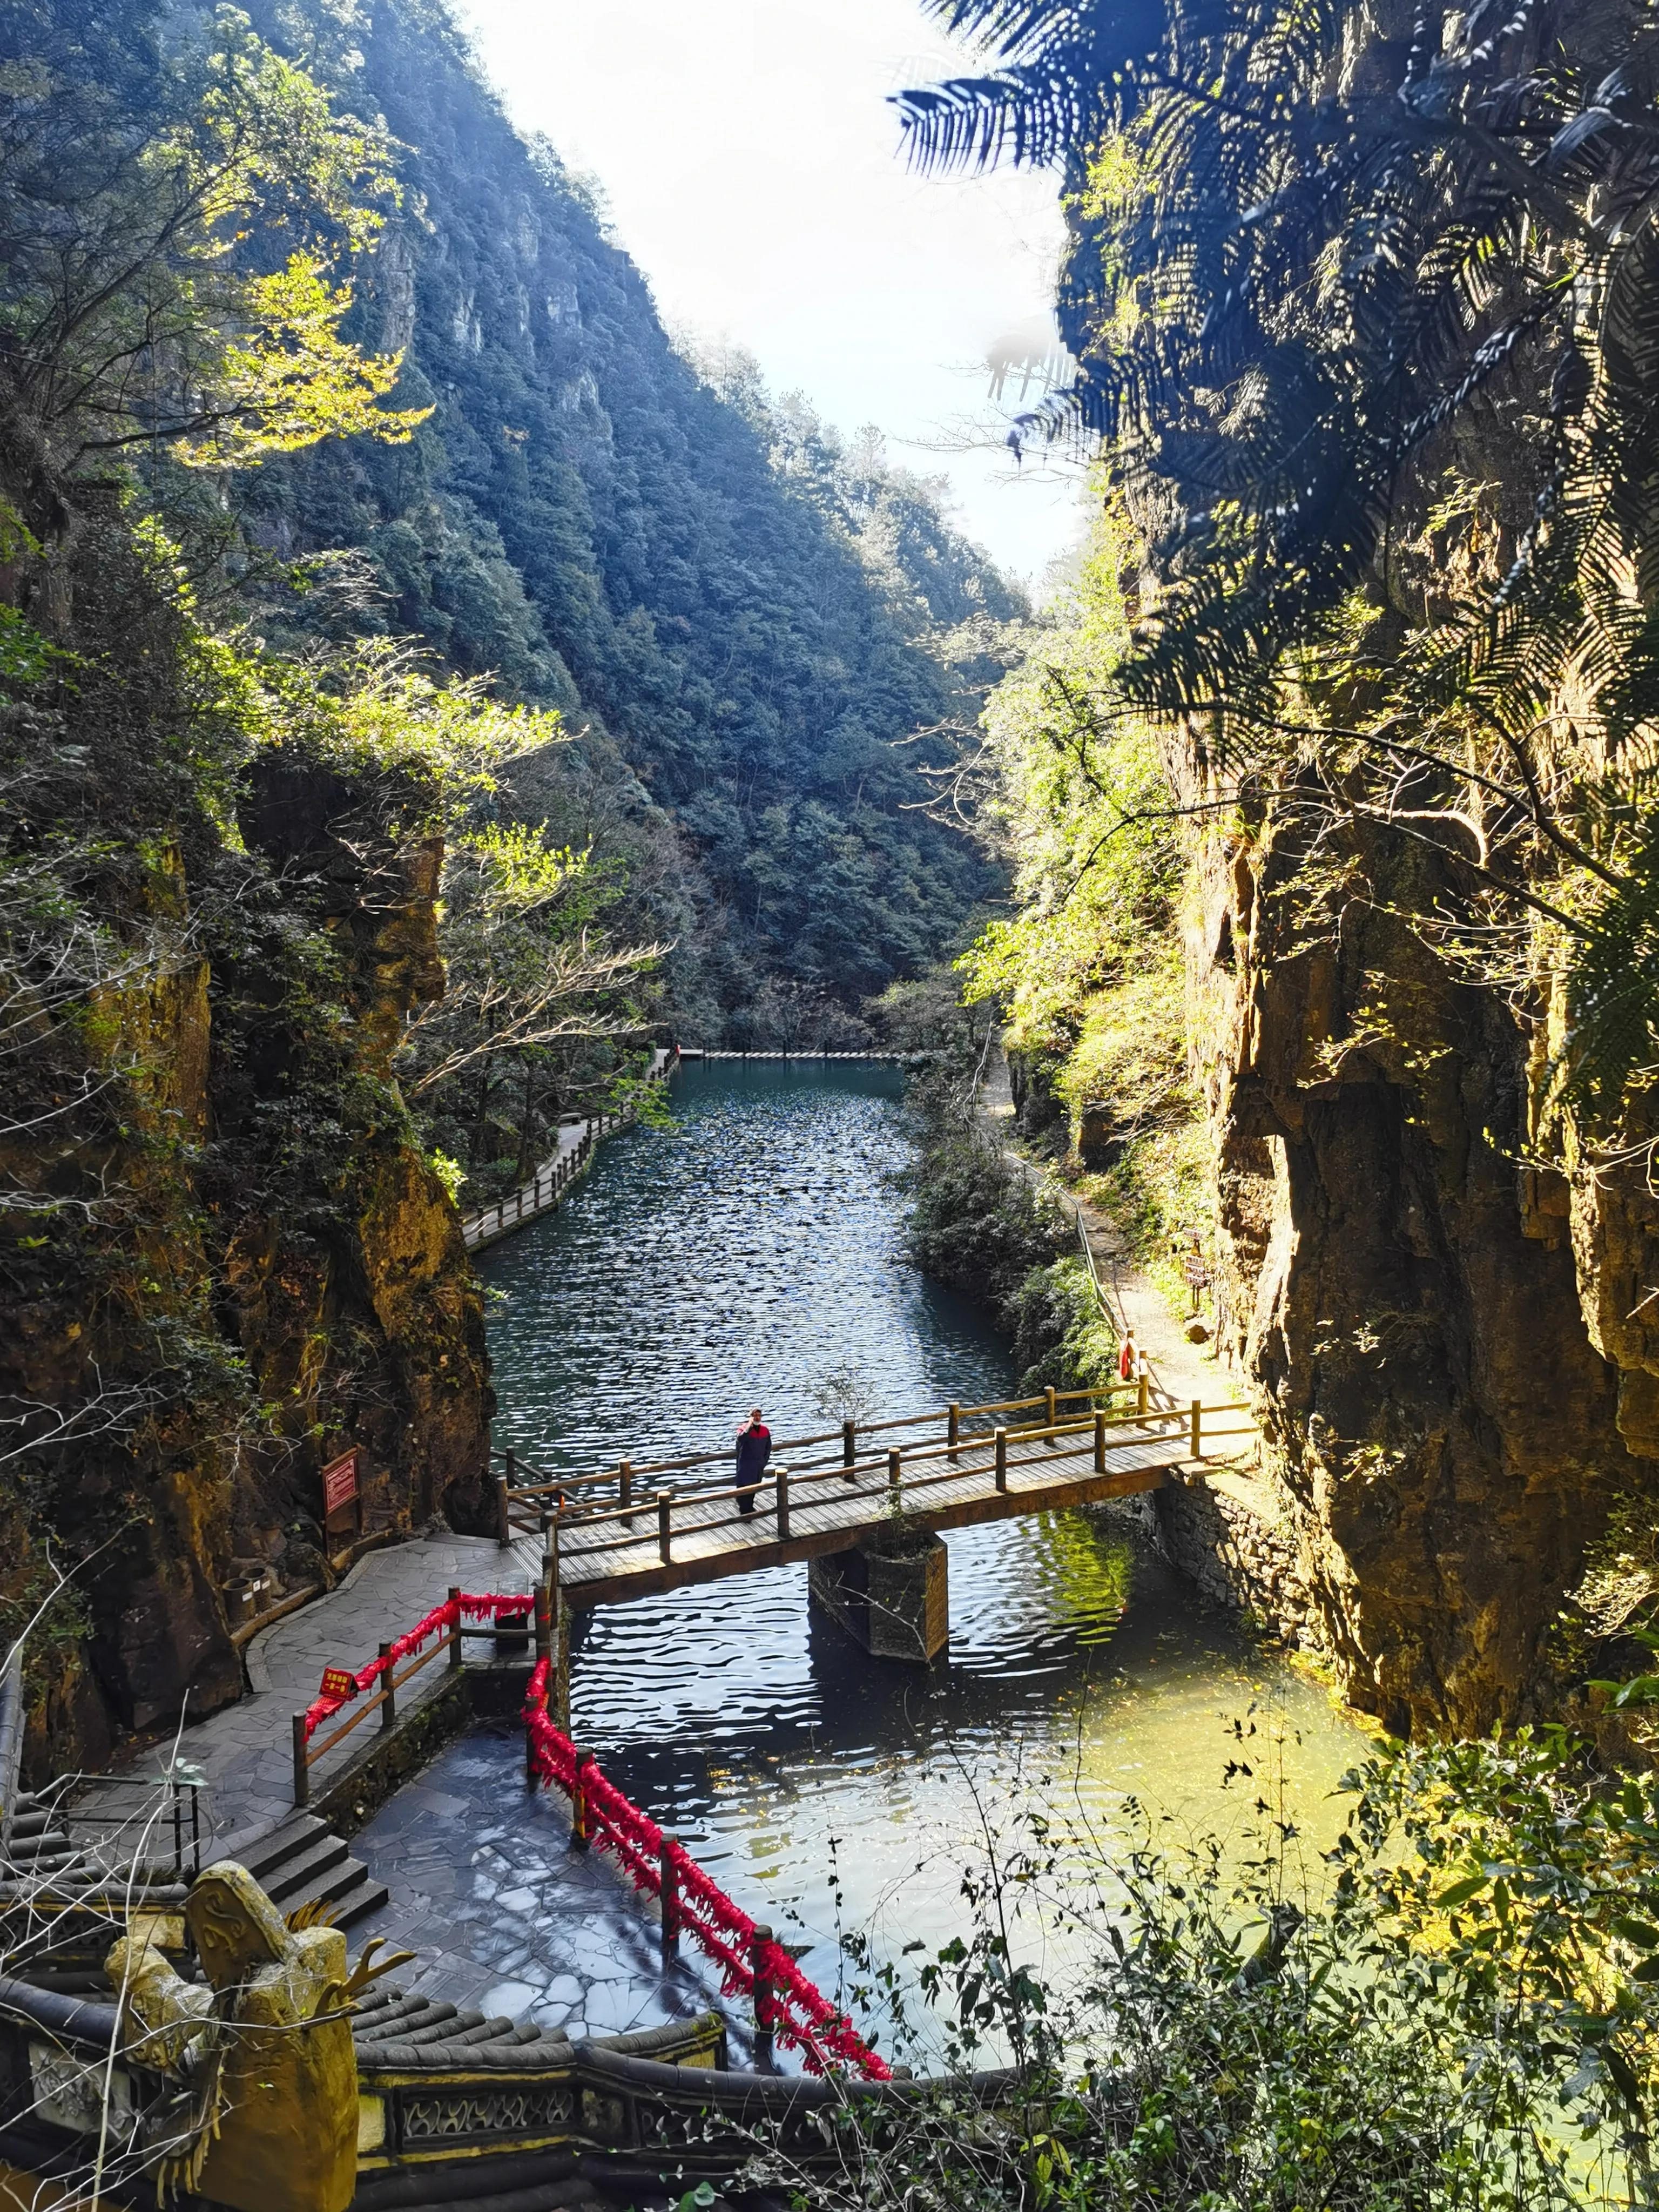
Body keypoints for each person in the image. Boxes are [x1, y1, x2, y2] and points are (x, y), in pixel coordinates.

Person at [736, 1406, 772, 1515]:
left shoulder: (765, 1431)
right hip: (745, 1465)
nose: (757, 1418)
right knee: (744, 1488)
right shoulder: (743, 1429)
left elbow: (768, 1448)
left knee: (755, 1486)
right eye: (754, 1415)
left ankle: (750, 1507)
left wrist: (764, 1462)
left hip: (758, 1465)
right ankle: (744, 1511)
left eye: (759, 1415)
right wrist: (749, 1427)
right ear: (750, 1417)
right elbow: (741, 1439)